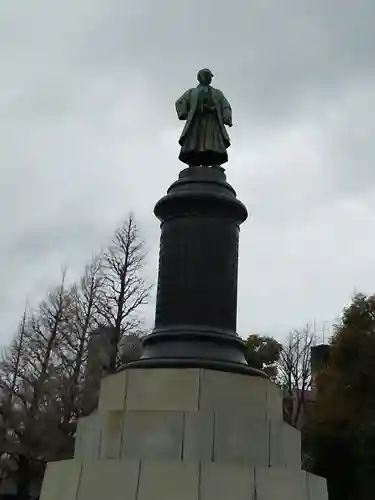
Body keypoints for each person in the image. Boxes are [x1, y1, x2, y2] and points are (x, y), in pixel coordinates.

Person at [175, 68, 232, 167]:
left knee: (213, 142)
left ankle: (215, 161)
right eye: (208, 76)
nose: (210, 79)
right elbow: (180, 102)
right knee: (194, 141)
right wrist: (184, 113)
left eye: (210, 77)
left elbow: (225, 105)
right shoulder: (192, 92)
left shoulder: (217, 93)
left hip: (212, 121)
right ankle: (193, 161)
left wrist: (226, 117)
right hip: (196, 121)